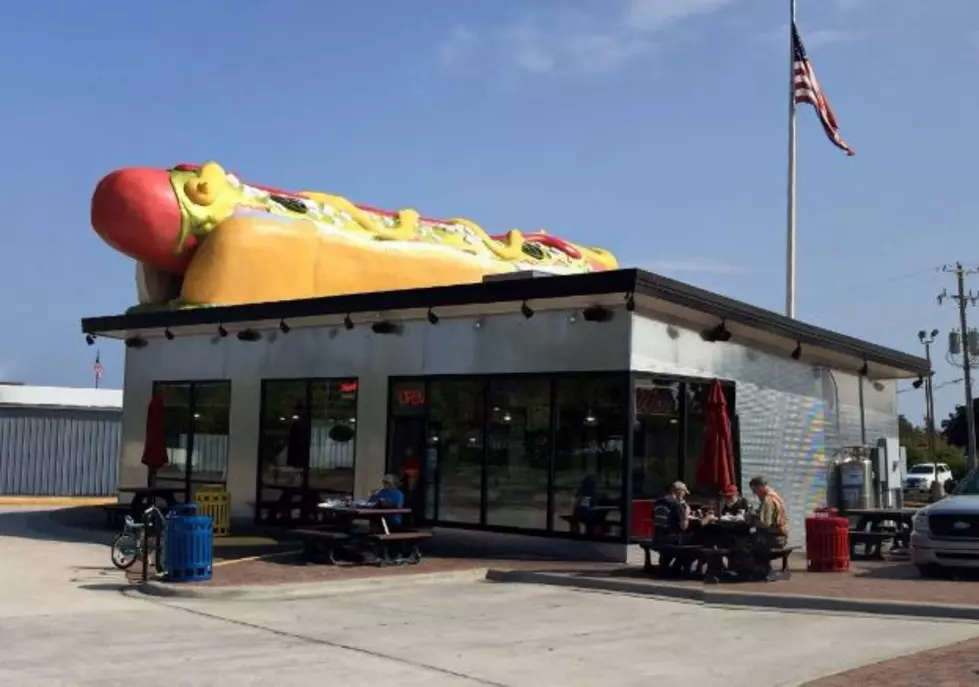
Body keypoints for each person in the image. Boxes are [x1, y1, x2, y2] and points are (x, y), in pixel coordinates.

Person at [748, 476, 788, 546]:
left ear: (760, 487)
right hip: (780, 535)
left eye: (754, 491)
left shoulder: (768, 500)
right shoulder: (774, 495)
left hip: (775, 538)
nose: (754, 494)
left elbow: (765, 524)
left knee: (743, 542)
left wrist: (752, 520)